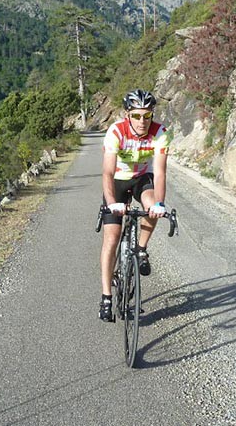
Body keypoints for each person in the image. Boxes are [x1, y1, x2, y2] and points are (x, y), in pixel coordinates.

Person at [99, 89, 173, 322]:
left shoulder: (160, 133)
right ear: (127, 115)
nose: (142, 121)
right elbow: (108, 172)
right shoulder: (116, 131)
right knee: (112, 237)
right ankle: (106, 296)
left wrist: (159, 204)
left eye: (147, 116)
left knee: (152, 206)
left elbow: (159, 173)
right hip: (118, 181)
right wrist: (112, 203)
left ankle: (140, 248)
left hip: (141, 179)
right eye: (137, 116)